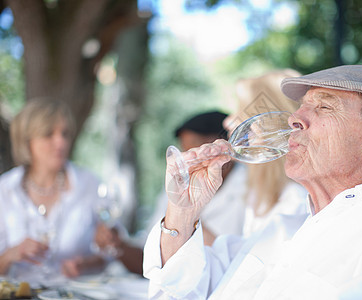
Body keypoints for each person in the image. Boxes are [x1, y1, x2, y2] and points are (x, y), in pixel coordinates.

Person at [143, 65, 362, 299]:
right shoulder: (282, 228)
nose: (294, 119)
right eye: (302, 106)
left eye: (324, 106)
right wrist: (183, 212)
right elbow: (175, 291)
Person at [95, 111, 247, 274]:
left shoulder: (251, 187)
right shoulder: (178, 186)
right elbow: (153, 257)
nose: (189, 160)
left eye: (196, 148)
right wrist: (120, 246)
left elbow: (231, 261)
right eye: (184, 150)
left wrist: (186, 220)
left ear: (221, 146)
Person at [0, 98, 105, 281]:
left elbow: (110, 254)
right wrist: (11, 254)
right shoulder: (5, 190)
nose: (60, 143)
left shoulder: (90, 184)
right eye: (48, 134)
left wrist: (86, 264)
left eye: (65, 134)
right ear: (26, 142)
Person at [223, 69, 309, 237]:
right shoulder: (260, 191)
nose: (227, 121)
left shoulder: (298, 202)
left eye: (242, 111)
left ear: (270, 124)